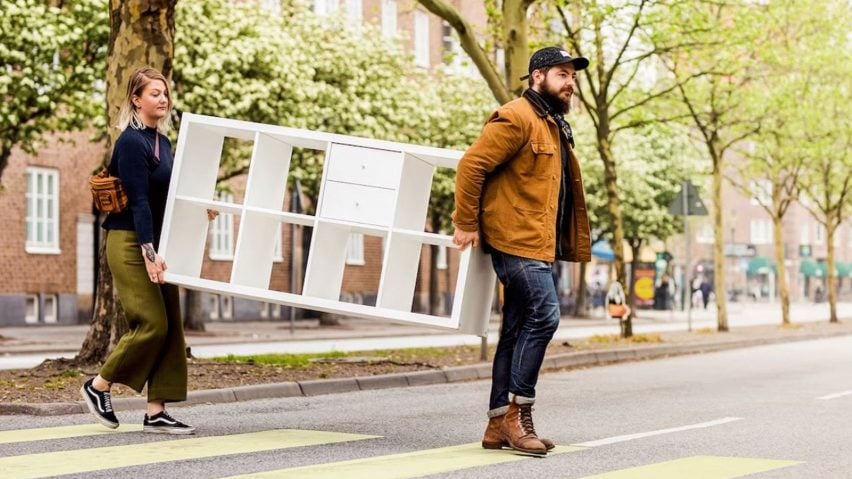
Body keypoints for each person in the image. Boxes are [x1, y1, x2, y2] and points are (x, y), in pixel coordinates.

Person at [452, 46, 591, 455]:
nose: (571, 84)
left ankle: (497, 423)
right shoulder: (516, 116)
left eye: (573, 77)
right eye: (562, 75)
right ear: (537, 77)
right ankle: (518, 413)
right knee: (545, 316)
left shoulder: (551, 124)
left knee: (515, 329)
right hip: (516, 241)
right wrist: (465, 222)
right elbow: (472, 166)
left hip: (539, 242)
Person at [80, 67, 196, 435]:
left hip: (157, 243)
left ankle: (156, 409)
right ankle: (98, 385)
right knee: (151, 323)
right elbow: (140, 202)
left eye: (164, 93)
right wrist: (148, 252)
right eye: (154, 93)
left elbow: (168, 196)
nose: (162, 99)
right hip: (131, 242)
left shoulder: (162, 142)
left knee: (170, 325)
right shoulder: (131, 143)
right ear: (136, 99)